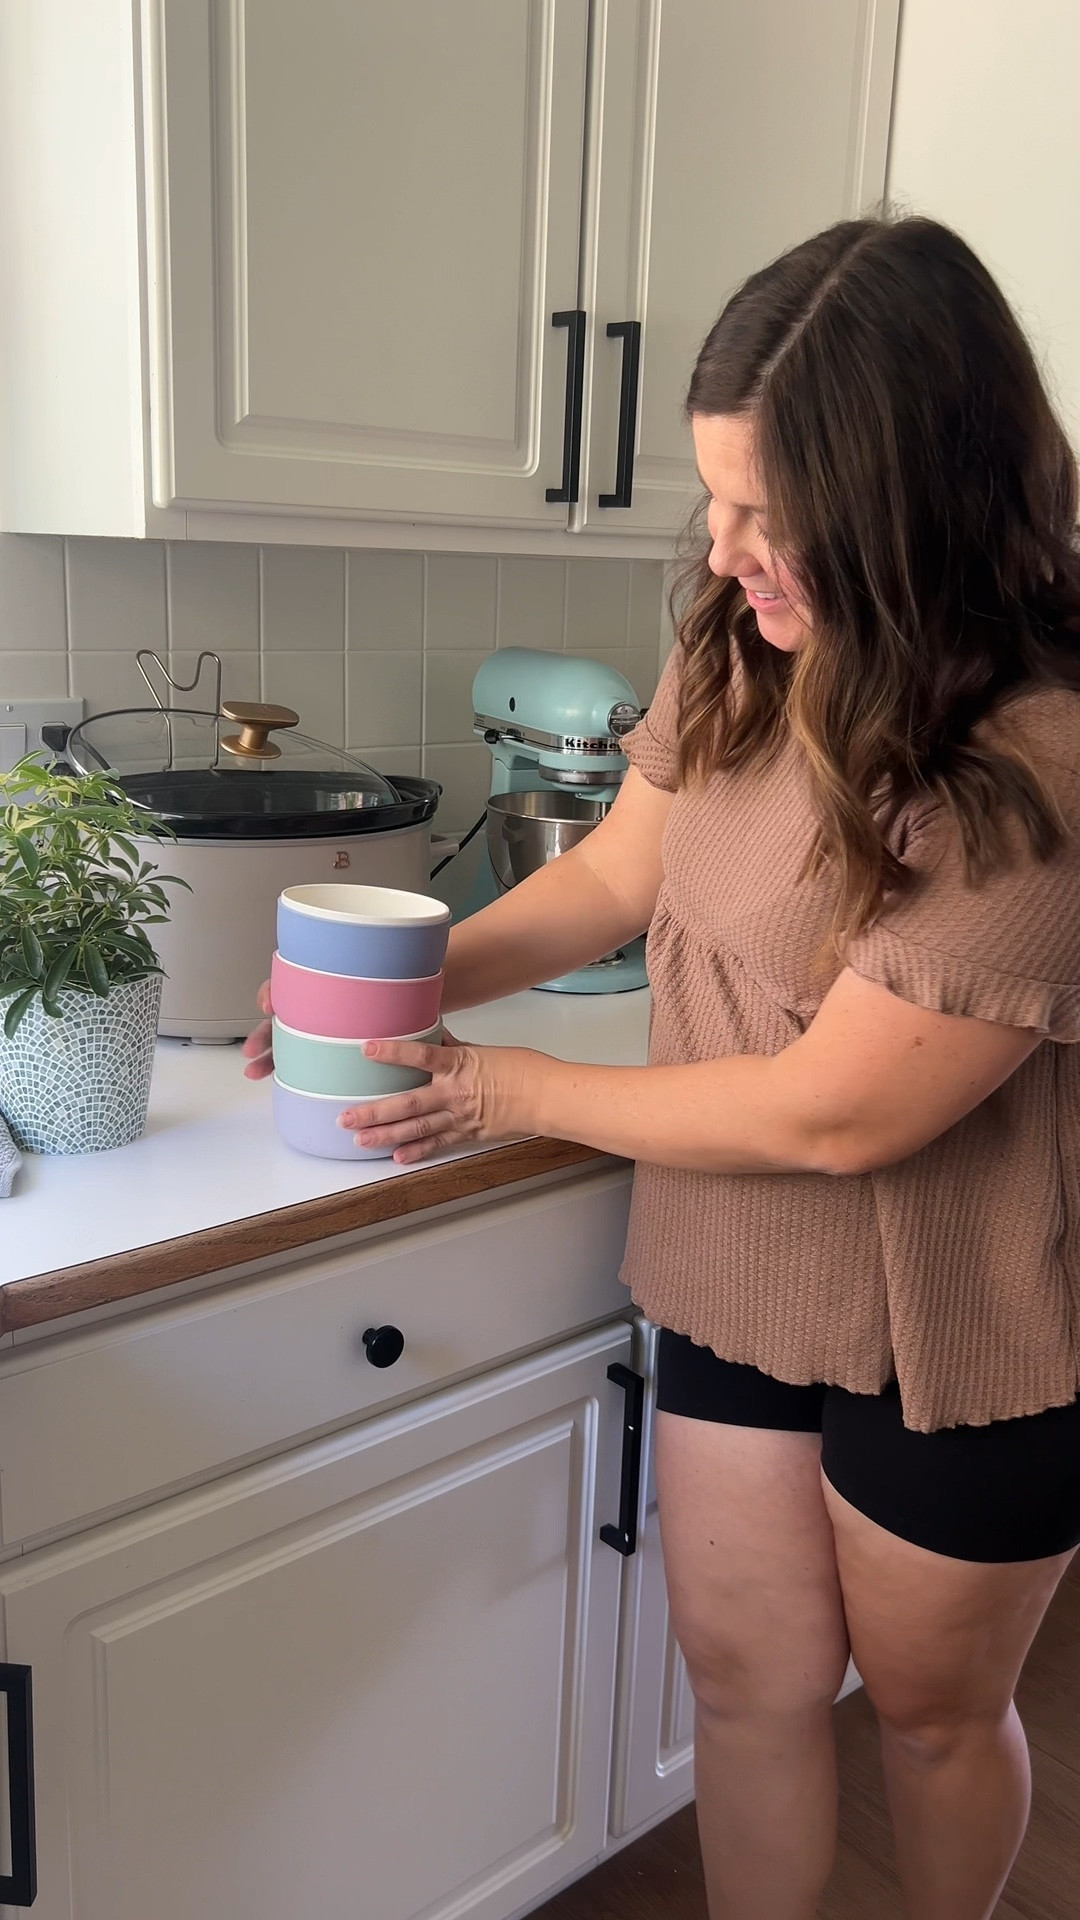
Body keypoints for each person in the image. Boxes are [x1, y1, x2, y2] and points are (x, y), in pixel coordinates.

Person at [244, 214, 1080, 1920]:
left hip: (965, 1308)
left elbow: (840, 1110)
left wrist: (503, 1087)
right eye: (719, 499)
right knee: (745, 1684)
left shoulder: (1043, 755)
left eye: (778, 513)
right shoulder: (736, 650)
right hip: (736, 1265)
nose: (732, 549)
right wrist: (404, 978)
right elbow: (623, 876)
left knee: (930, 1717)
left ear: (920, 497)